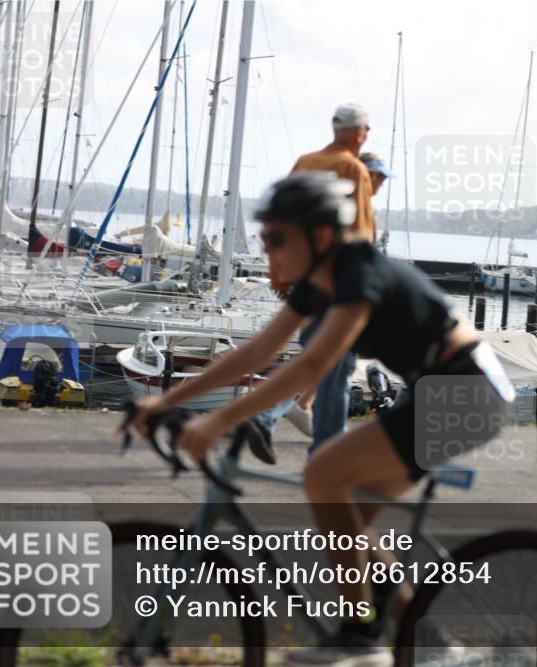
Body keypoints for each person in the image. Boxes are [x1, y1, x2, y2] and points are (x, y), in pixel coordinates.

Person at [128, 171, 513, 664]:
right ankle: (432, 648)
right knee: (348, 524)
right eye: (264, 237)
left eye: (276, 238)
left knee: (324, 474)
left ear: (321, 236)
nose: (267, 250)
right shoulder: (319, 281)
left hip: (465, 391)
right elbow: (259, 350)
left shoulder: (358, 273)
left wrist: (218, 420)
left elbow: (313, 364)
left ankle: (361, 639)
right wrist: (166, 401)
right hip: (438, 388)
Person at [282, 104, 377, 453]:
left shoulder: (304, 163)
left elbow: (284, 220)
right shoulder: (353, 168)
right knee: (339, 365)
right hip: (339, 282)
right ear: (358, 133)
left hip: (304, 277)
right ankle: (326, 451)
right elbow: (362, 232)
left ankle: (275, 420)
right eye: (366, 130)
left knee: (316, 360)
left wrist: (282, 273)